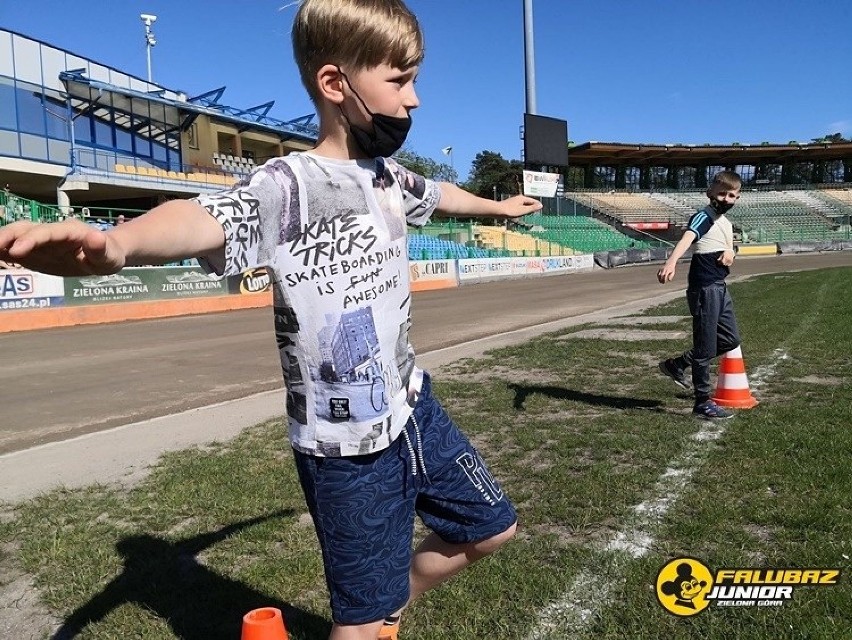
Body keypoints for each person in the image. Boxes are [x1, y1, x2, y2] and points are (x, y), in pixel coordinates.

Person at [0, 1, 542, 638]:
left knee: (492, 526)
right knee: (359, 625)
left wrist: (497, 208)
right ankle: (372, 621)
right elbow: (202, 217)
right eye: (398, 81)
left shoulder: (389, 177)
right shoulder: (287, 183)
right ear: (336, 84)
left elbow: (442, 194)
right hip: (345, 446)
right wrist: (119, 243)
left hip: (412, 406)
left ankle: (389, 604)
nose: (414, 99)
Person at [656, 170, 743, 420]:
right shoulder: (704, 216)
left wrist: (731, 253)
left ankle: (678, 364)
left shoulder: (723, 222)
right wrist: (671, 262)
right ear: (709, 193)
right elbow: (689, 237)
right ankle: (702, 402)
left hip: (719, 286)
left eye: (731, 195)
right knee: (705, 347)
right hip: (705, 288)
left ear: (737, 198)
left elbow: (726, 245)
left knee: (729, 340)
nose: (726, 199)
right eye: (721, 194)